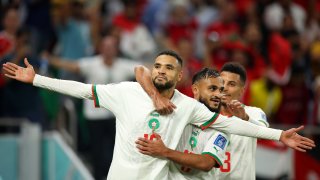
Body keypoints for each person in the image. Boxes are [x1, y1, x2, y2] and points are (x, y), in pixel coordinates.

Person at [2, 50, 315, 179]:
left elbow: (231, 124)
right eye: (158, 66)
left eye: (169, 67)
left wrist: (278, 135)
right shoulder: (126, 92)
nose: (161, 70)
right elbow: (83, 89)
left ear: (179, 78)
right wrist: (38, 79)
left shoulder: (189, 106)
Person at [45, 35, 141, 180]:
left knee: (118, 150)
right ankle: (97, 176)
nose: (108, 50)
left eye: (111, 47)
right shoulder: (92, 64)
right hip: (95, 115)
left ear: (116, 49)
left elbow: (146, 68)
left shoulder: (124, 65)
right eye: (106, 47)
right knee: (97, 150)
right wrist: (51, 59)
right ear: (101, 48)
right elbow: (72, 65)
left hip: (117, 116)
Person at [136, 68, 230, 179]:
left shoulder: (221, 126)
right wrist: (155, 96)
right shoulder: (179, 112)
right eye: (212, 89)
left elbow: (206, 163)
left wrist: (165, 152)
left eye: (221, 90)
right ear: (195, 90)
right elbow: (140, 70)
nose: (218, 95)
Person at [215, 62, 269, 179]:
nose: (224, 88)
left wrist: (245, 118)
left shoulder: (254, 113)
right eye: (222, 82)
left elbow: (264, 133)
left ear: (241, 91)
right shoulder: (205, 114)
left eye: (232, 84)